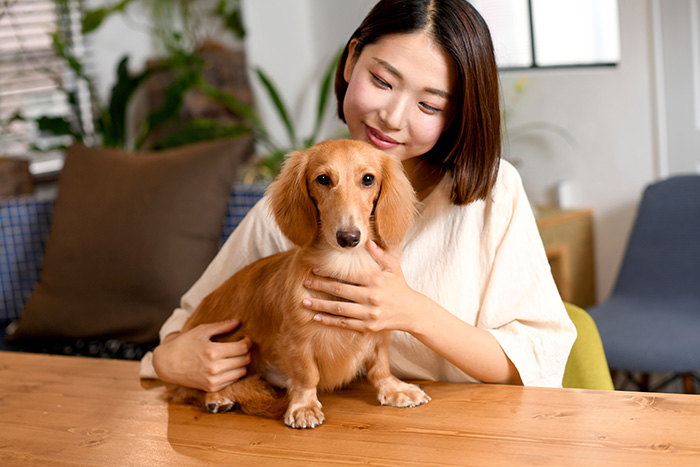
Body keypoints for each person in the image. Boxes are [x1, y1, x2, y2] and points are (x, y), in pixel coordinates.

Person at [140, 0, 576, 391]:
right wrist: (169, 359)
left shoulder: (494, 194)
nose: (392, 117)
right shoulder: (305, 195)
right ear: (351, 60)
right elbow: (189, 323)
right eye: (383, 80)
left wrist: (412, 312)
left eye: (429, 106)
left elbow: (535, 359)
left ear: (456, 115)